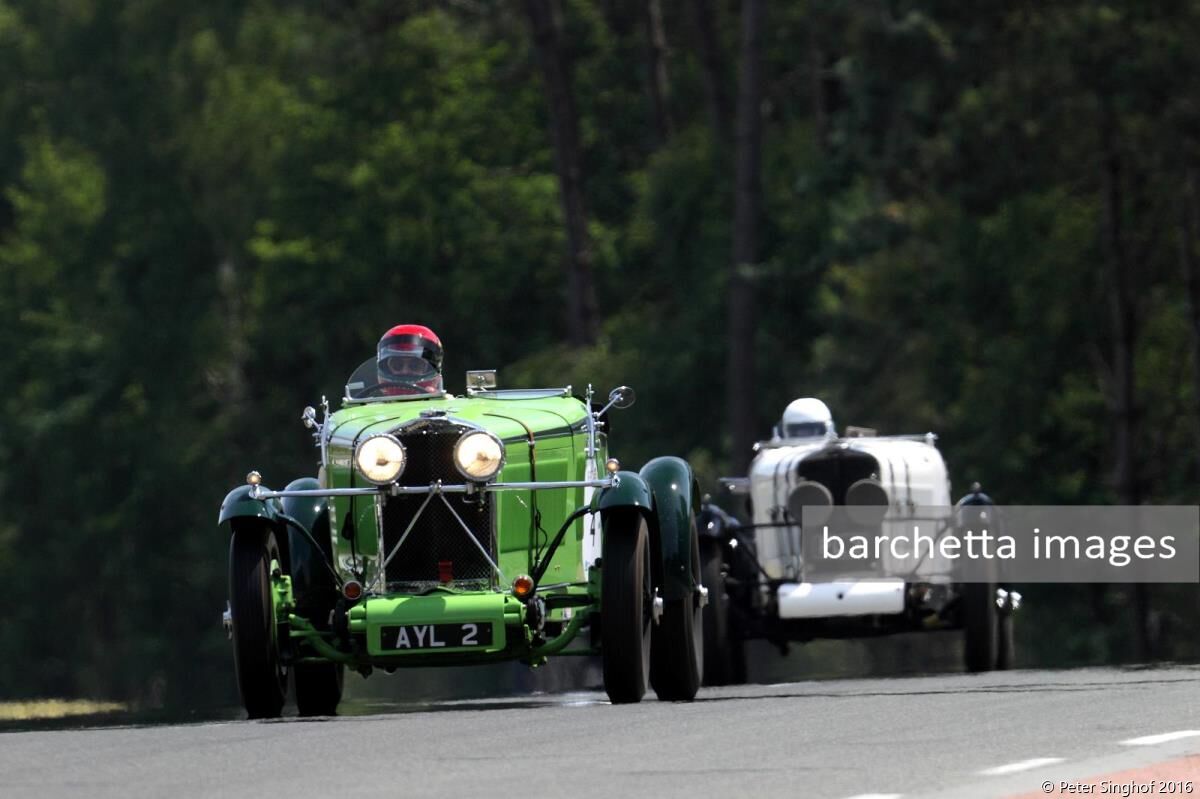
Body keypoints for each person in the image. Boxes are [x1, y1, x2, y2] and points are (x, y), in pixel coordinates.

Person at [376, 324, 444, 396]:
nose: (405, 371)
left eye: (415, 365)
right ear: (386, 368)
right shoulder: (370, 406)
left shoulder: (444, 406)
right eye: (397, 365)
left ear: (429, 369)